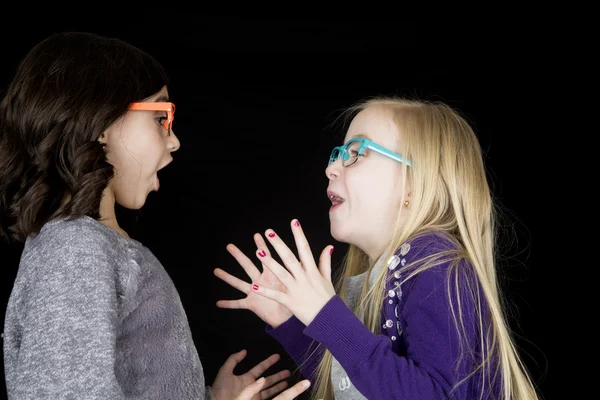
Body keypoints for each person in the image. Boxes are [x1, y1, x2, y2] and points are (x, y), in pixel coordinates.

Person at [0, 31, 310, 400]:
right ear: (100, 123)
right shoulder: (74, 251)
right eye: (161, 116)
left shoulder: (93, 247)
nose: (174, 139)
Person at [214, 96, 542, 399]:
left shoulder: (435, 263)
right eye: (338, 154)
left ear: (415, 182)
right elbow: (354, 388)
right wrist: (290, 320)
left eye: (355, 153)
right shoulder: (378, 276)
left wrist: (325, 315)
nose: (331, 168)